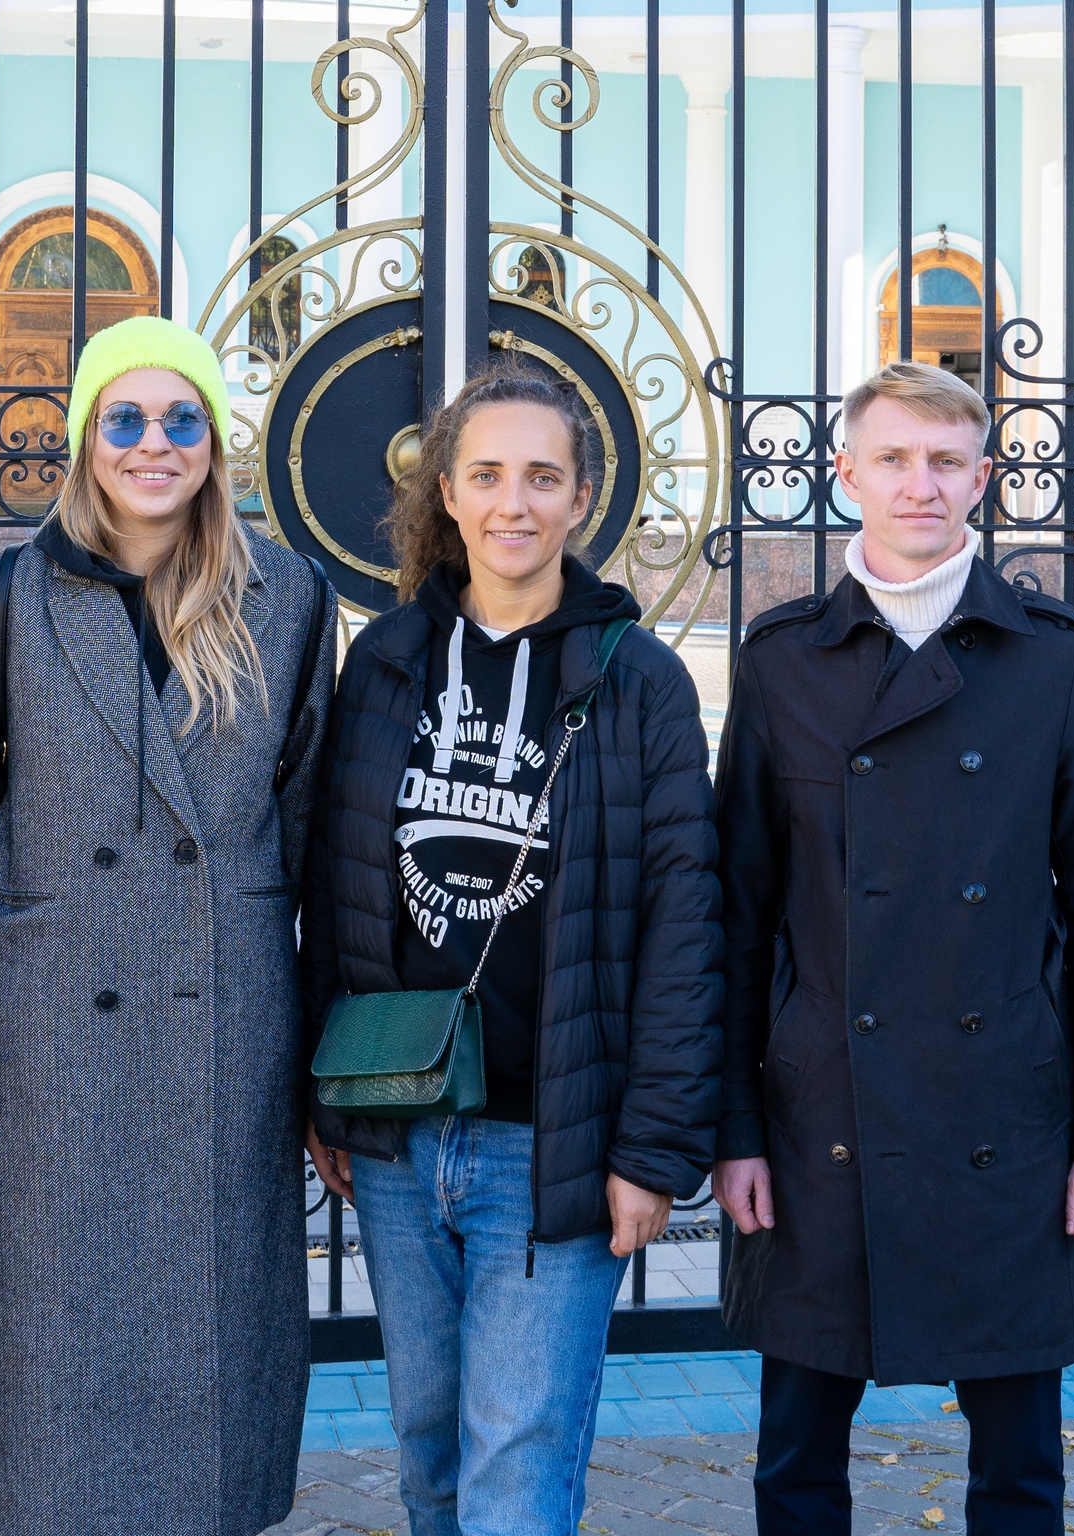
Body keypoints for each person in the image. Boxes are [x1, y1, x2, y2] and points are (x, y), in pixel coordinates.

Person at [711, 360, 1074, 1535]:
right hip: (822, 1117)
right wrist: (734, 1129)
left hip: (1006, 1112)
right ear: (845, 472)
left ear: (983, 478)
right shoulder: (781, 658)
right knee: (796, 1465)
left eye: (947, 461)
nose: (922, 484)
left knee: (1020, 1471)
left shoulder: (1051, 656)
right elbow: (739, 911)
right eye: (894, 458)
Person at [299, 359, 725, 1536]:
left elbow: (685, 927)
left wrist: (653, 1149)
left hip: (555, 1147)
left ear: (583, 497)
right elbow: (335, 890)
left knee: (517, 1468)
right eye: (486, 475)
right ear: (446, 491)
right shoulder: (384, 663)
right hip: (399, 1136)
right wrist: (329, 1099)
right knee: (431, 1452)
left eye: (543, 477)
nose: (513, 503)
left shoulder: (641, 684)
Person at [0, 315, 336, 1536]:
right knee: (53, 1305)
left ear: (214, 440)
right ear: (85, 438)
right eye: (125, 418)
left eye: (181, 418)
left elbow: (307, 815)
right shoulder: (8, 593)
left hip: (225, 1005)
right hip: (57, 1013)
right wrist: (31, 933)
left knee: (215, 1300)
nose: (154, 444)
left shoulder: (287, 596)